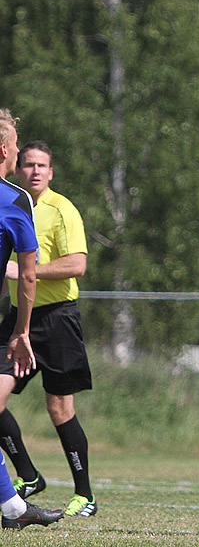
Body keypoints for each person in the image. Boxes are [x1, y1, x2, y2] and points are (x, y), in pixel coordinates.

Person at [0, 139, 96, 518]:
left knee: (59, 407)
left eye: (42, 165)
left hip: (57, 318)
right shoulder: (9, 201)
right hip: (18, 317)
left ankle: (84, 494)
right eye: (29, 164)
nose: (35, 171)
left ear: (51, 173)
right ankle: (27, 474)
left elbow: (77, 265)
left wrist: (25, 272)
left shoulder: (62, 210)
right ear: (17, 167)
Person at [0, 110, 64, 530]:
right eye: (17, 144)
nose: (21, 151)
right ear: (3, 151)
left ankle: (15, 509)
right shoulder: (14, 199)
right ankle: (15, 509)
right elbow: (27, 274)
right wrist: (22, 331)